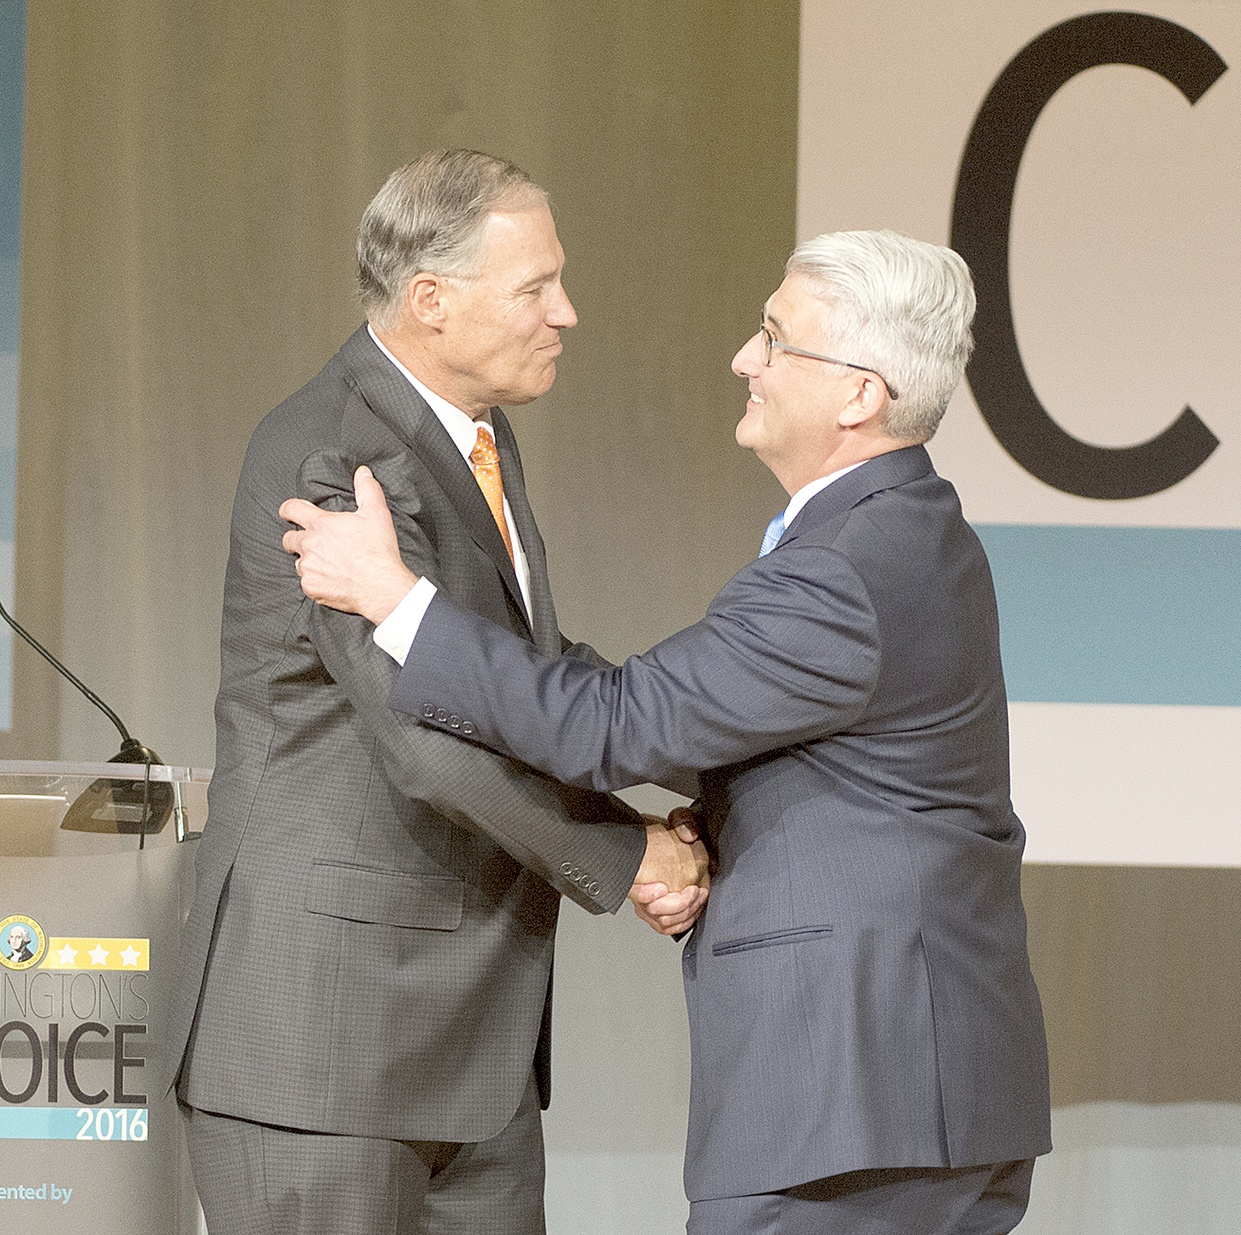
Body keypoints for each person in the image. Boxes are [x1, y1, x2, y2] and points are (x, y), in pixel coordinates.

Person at [282, 230, 1053, 1234]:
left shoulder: (843, 569)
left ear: (858, 395)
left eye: (775, 340)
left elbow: (613, 725)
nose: (745, 358)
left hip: (852, 1106)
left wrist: (397, 600)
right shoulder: (905, 530)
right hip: (908, 1098)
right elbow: (727, 724)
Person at [164, 149, 707, 1235]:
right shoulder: (338, 454)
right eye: (534, 288)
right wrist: (624, 850)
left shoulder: (474, 433)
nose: (567, 311)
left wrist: (729, 745)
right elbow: (430, 737)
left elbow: (517, 669)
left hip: (467, 1046)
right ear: (431, 302)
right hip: (322, 1044)